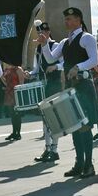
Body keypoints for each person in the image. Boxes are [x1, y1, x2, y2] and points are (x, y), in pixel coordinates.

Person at [38, 7, 98, 179]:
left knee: (85, 127)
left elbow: (94, 60)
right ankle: (79, 164)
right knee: (74, 127)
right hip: (71, 89)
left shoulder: (87, 38)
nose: (67, 22)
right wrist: (44, 45)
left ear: (79, 20)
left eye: (70, 19)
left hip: (84, 87)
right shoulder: (65, 41)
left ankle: (89, 165)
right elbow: (51, 58)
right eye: (66, 19)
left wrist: (77, 67)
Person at [31, 21, 65, 164]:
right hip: (45, 85)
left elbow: (64, 62)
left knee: (54, 117)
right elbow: (36, 68)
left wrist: (55, 67)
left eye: (43, 33)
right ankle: (47, 148)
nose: (41, 35)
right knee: (45, 118)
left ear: (48, 32)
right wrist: (30, 73)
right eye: (39, 33)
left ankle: (55, 150)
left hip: (54, 84)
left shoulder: (55, 46)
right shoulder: (38, 48)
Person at [1, 60, 27, 142]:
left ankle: (18, 133)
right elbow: (6, 82)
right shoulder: (7, 69)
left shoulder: (18, 69)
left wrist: (19, 94)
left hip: (16, 92)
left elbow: (22, 82)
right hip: (9, 92)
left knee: (17, 114)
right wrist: (1, 77)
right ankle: (14, 132)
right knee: (12, 114)